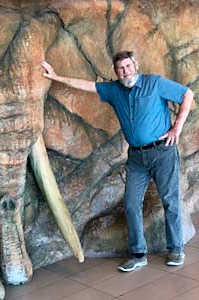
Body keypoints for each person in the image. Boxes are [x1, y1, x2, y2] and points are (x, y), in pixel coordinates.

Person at [41, 51, 194, 272]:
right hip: (136, 158)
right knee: (131, 204)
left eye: (128, 66)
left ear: (136, 65)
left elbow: (187, 94)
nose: (125, 71)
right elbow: (86, 86)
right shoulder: (114, 90)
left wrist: (176, 128)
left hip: (163, 152)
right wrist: (56, 77)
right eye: (121, 69)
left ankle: (176, 248)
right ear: (116, 72)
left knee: (170, 201)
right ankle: (138, 254)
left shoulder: (155, 83)